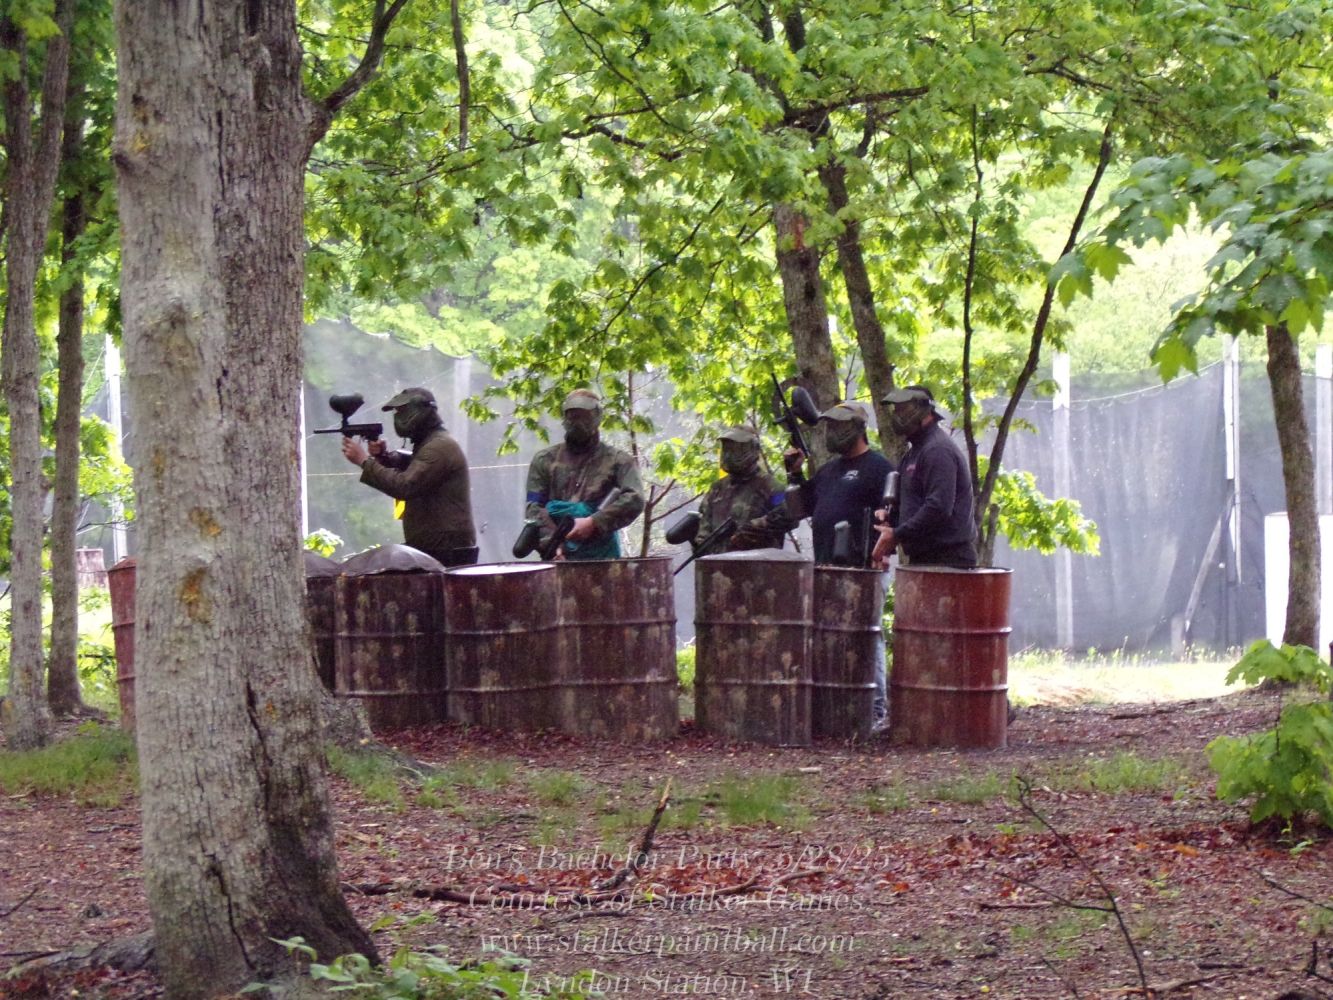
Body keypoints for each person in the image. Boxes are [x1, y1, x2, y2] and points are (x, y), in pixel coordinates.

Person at [782, 402, 893, 725]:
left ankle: (876, 708)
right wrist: (795, 473)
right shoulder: (828, 470)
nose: (832, 432)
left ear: (858, 428)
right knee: (830, 635)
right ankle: (836, 706)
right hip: (827, 566)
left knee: (867, 635)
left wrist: (881, 553)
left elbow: (891, 516)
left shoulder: (879, 468)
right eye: (829, 425)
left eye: (839, 425)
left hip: (864, 568)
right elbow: (800, 509)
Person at [341, 386, 478, 567]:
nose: (398, 416)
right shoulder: (431, 442)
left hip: (447, 551)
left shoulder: (438, 447)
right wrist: (384, 457)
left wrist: (364, 461)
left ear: (421, 409)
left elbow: (405, 486)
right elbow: (415, 467)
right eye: (396, 411)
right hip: (437, 548)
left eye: (402, 410)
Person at [524, 389, 645, 560]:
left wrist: (594, 522)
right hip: (558, 554)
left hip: (602, 556)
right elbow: (534, 507)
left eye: (584, 417)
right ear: (564, 419)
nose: (578, 423)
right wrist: (552, 543)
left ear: (597, 418)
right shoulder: (544, 460)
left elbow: (635, 499)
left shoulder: (618, 461)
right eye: (572, 416)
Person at [871, 385, 977, 569]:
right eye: (896, 410)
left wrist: (897, 534)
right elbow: (911, 505)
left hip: (948, 560)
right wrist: (890, 520)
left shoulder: (937, 450)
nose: (898, 415)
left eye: (903, 409)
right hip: (926, 559)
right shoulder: (915, 452)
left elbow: (938, 507)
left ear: (925, 410)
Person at [696, 425, 792, 551]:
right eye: (727, 448)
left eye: (737, 449)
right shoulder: (717, 488)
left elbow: (789, 516)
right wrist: (702, 548)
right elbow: (704, 531)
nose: (729, 454)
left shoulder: (771, 487)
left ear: (753, 448)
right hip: (718, 561)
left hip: (758, 561)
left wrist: (753, 528)